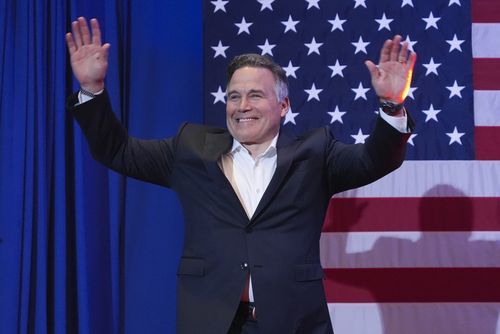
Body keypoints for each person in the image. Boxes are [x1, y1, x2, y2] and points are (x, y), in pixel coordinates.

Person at [66, 16, 416, 334]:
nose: (242, 106)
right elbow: (117, 151)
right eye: (234, 97)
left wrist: (391, 105)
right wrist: (92, 92)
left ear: (283, 105)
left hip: (294, 321)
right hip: (212, 320)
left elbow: (376, 159)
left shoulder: (316, 152)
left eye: (254, 95)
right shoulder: (190, 148)